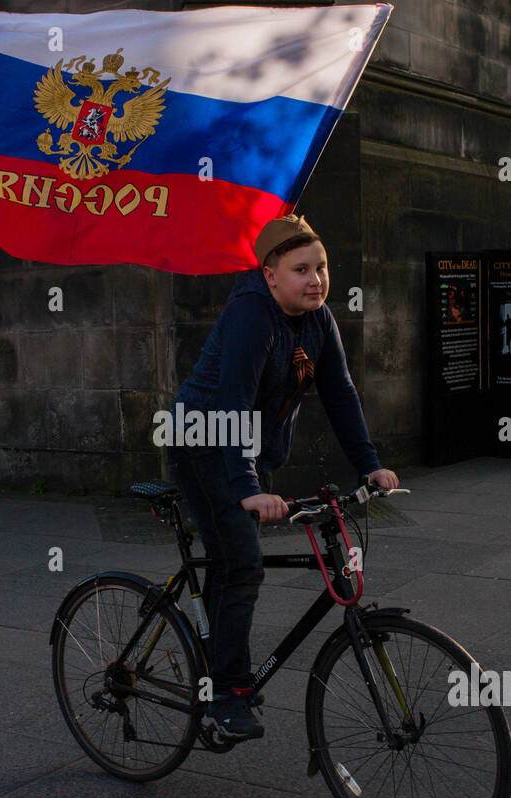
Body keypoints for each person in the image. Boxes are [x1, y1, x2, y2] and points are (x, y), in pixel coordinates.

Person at [167, 215, 399, 741]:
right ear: (269, 275)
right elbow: (233, 405)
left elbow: (340, 394)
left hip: (246, 450)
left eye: (321, 267)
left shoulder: (319, 320)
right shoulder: (252, 315)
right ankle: (226, 696)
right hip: (205, 444)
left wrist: (369, 463)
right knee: (240, 563)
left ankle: (221, 666)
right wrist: (248, 489)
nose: (315, 279)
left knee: (236, 556)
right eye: (301, 269)